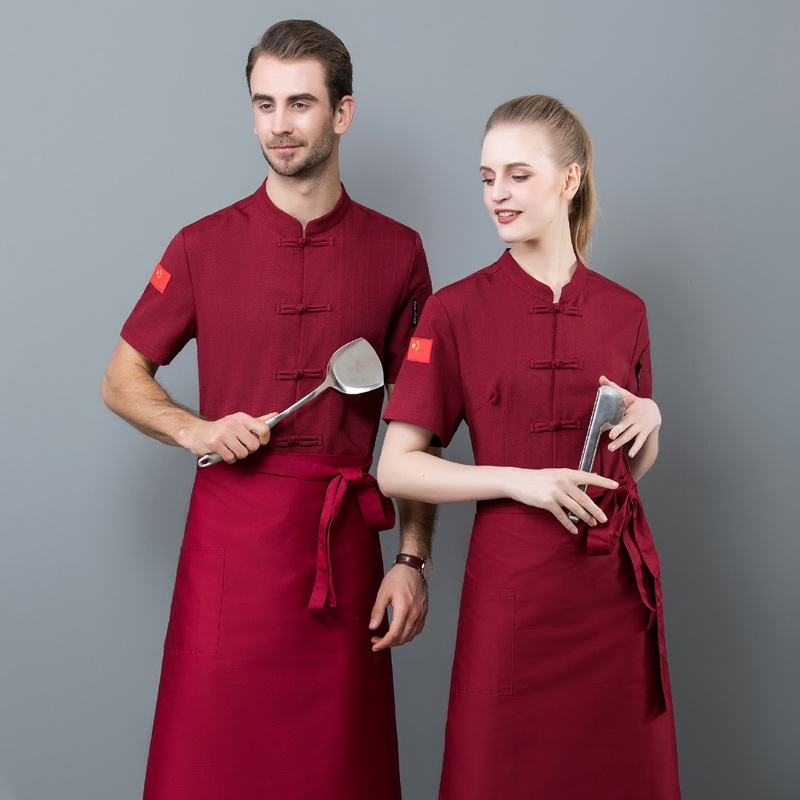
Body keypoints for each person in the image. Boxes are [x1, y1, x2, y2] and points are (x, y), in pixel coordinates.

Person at [101, 20, 435, 800]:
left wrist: (413, 560)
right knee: (206, 769)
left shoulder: (400, 253)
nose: (279, 125)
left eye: (300, 104)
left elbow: (418, 426)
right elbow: (121, 379)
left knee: (339, 775)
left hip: (342, 551)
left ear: (342, 113)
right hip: (228, 550)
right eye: (264, 104)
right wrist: (194, 428)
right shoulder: (200, 245)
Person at [378, 94, 681, 799]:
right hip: (510, 589)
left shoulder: (626, 311)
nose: (498, 195)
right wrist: (519, 480)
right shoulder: (454, 311)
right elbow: (396, 467)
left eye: (518, 175)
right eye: (488, 178)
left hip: (610, 595)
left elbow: (629, 472)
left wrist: (651, 423)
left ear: (570, 179)